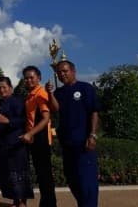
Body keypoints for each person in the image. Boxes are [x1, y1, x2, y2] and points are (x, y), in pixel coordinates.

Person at [48, 60, 100, 207]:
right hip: (67, 143)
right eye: (59, 73)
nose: (62, 74)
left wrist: (92, 135)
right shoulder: (59, 92)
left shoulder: (85, 88)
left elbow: (94, 112)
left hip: (84, 142)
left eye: (65, 71)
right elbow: (55, 109)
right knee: (73, 180)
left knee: (87, 182)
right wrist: (50, 94)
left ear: (73, 71)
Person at [22, 66, 57, 207]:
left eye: (32, 77)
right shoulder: (31, 95)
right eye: (26, 78)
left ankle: (49, 203)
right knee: (41, 174)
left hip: (41, 138)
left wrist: (30, 133)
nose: (29, 80)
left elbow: (46, 118)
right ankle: (46, 202)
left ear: (39, 78)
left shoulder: (40, 94)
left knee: (45, 174)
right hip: (35, 139)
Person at [0, 77, 33, 207]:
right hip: (3, 144)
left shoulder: (18, 101)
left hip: (16, 143)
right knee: (9, 174)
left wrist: (8, 121)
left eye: (4, 87)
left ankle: (22, 202)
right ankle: (15, 201)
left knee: (19, 172)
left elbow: (23, 119)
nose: (1, 90)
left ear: (10, 88)